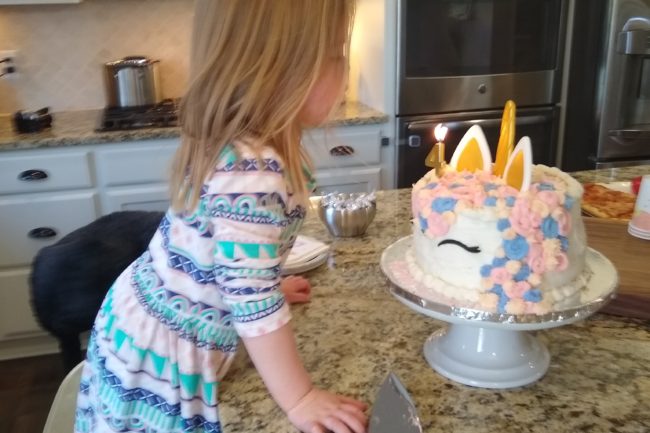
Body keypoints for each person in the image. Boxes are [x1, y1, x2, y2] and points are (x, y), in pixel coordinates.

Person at [74, 1, 368, 433]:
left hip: (144, 315)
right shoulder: (253, 171)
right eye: (336, 54)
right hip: (165, 351)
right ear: (281, 68)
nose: (345, 71)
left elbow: (232, 255)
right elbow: (251, 301)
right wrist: (302, 398)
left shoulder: (248, 147)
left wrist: (259, 281)